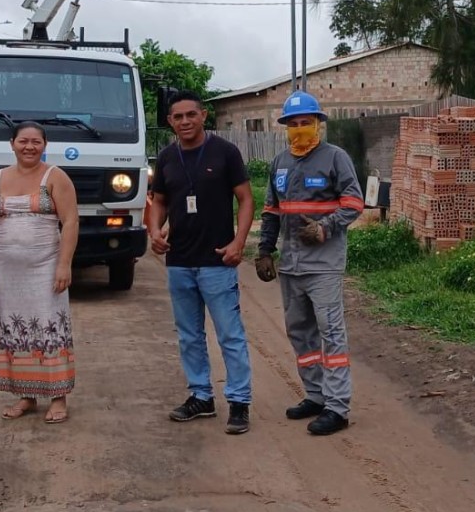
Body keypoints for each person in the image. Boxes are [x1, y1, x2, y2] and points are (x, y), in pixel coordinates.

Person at [255, 90, 364, 436]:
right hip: (291, 265)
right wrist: (264, 250)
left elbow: (354, 202)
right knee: (300, 332)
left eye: (306, 123)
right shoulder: (279, 164)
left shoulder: (335, 158)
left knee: (331, 334)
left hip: (324, 264)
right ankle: (315, 396)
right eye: (294, 124)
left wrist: (326, 226)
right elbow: (271, 211)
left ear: (318, 124)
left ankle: (338, 406)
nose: (300, 129)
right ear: (285, 127)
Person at [148, 91, 255, 435]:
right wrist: (155, 230)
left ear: (203, 115)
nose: (185, 122)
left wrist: (239, 242)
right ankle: (201, 396)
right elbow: (159, 201)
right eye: (177, 117)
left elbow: (246, 199)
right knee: (189, 336)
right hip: (179, 261)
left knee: (229, 334)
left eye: (190, 115)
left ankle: (239, 402)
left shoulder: (225, 152)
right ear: (170, 122)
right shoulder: (166, 158)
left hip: (217, 260)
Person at [0, 122, 80, 424]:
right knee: (14, 328)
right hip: (8, 270)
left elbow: (70, 222)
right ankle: (25, 395)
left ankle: (58, 397)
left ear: (45, 145)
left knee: (49, 326)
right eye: (23, 141)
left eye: (35, 142)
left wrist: (64, 263)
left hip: (45, 267)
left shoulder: (55, 177)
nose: (29, 147)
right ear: (12, 144)